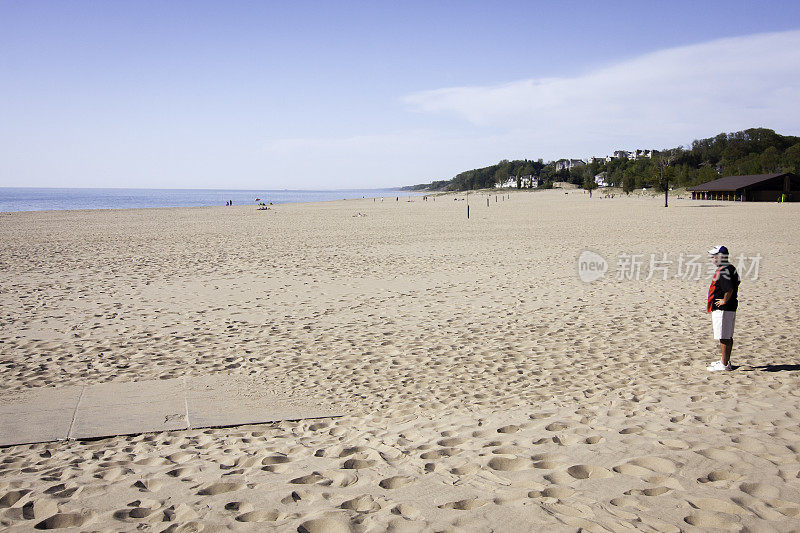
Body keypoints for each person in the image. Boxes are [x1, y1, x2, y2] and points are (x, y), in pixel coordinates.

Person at [706, 245, 740, 371]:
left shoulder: (725, 270)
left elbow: (729, 288)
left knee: (724, 336)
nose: (712, 258)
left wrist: (725, 300)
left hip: (724, 309)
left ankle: (724, 364)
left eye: (714, 256)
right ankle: (724, 360)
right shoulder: (729, 268)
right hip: (727, 308)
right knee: (726, 335)